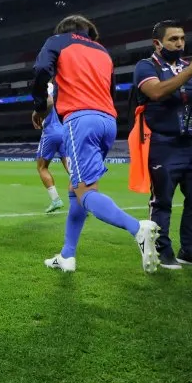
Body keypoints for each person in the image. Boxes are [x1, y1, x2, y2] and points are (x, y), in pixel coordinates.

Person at [32, 14, 159, 274]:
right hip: (107, 120)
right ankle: (67, 255)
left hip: (81, 119)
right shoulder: (103, 51)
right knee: (75, 189)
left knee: (85, 192)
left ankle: (138, 229)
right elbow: (111, 89)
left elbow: (41, 70)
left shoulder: (58, 41)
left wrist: (38, 106)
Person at [131, 20, 192, 268]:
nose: (180, 43)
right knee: (162, 200)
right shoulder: (146, 66)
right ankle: (162, 250)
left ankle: (190, 249)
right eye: (173, 39)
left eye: (182, 38)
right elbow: (157, 92)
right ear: (157, 43)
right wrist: (191, 71)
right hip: (164, 143)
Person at [34, 82, 69, 213]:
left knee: (41, 167)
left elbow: (48, 101)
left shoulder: (42, 89)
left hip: (50, 132)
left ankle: (56, 200)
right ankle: (82, 201)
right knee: (71, 169)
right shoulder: (56, 89)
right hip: (62, 130)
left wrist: (34, 115)